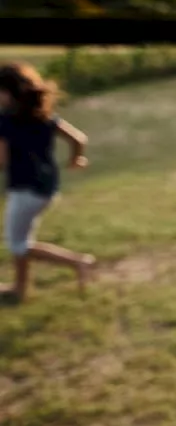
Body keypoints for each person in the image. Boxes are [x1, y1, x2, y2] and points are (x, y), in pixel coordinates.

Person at [0, 63, 95, 303]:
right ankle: (19, 289)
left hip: (24, 191)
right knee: (21, 240)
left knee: (18, 244)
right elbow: (79, 139)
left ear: (8, 93)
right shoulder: (44, 116)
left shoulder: (5, 122)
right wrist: (77, 159)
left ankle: (78, 262)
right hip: (46, 189)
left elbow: (2, 161)